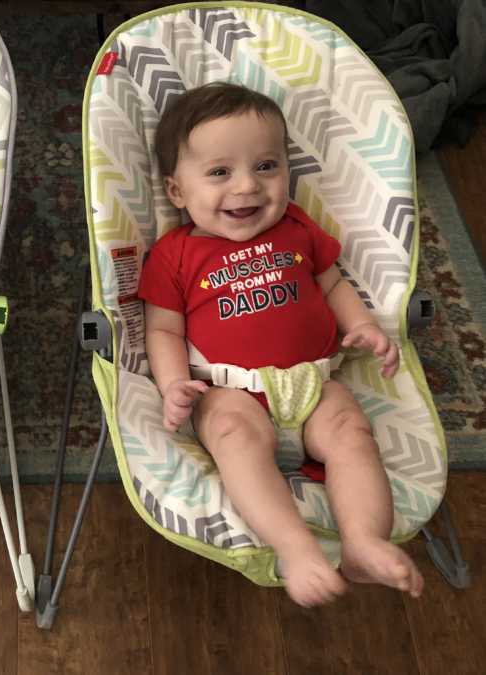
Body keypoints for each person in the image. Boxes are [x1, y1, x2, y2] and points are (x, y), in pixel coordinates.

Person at [138, 82, 423, 607]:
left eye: (266, 166)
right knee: (230, 434)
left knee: (352, 434)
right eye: (220, 172)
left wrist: (361, 326)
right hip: (231, 390)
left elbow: (334, 284)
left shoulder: (297, 228)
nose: (247, 186)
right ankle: (295, 546)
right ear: (178, 192)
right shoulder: (174, 255)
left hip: (315, 380)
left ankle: (362, 541)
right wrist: (175, 383)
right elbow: (163, 329)